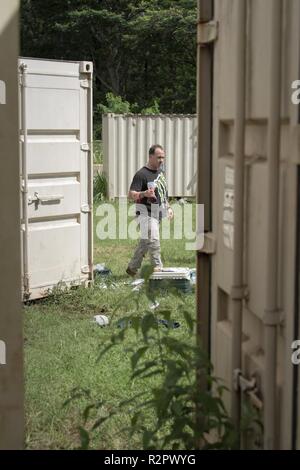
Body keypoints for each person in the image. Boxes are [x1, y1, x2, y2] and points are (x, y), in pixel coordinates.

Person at [126, 144, 174, 277]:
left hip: (156, 212)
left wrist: (168, 207)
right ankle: (158, 270)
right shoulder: (141, 174)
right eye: (159, 157)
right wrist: (144, 194)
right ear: (150, 156)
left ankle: (132, 268)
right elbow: (131, 194)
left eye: (163, 157)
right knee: (153, 240)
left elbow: (163, 193)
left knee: (145, 243)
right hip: (144, 213)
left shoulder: (160, 171)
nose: (161, 160)